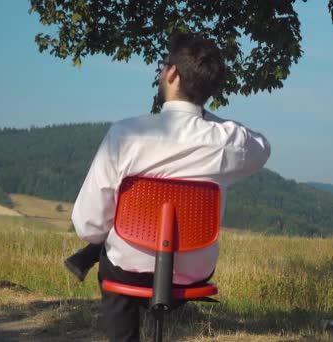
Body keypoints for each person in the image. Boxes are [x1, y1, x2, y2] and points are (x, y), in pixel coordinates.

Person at [68, 33, 271, 341]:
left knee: (111, 255)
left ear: (172, 73)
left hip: (128, 270)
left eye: (163, 65)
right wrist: (201, 114)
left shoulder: (124, 135)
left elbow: (88, 225)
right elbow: (262, 147)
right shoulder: (229, 143)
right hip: (192, 273)